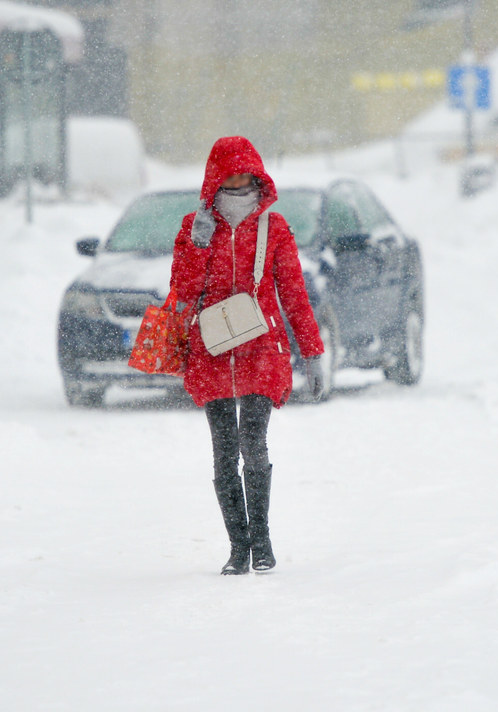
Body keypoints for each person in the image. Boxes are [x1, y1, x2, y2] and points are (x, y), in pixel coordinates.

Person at [170, 136, 326, 575]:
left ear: (257, 176)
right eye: (229, 175)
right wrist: (198, 246)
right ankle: (238, 547)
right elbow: (183, 290)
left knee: (252, 444)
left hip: (261, 351)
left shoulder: (273, 229)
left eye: (245, 174)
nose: (238, 183)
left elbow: (295, 295)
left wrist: (312, 352)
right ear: (214, 178)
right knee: (223, 453)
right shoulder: (194, 227)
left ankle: (262, 541)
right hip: (212, 351)